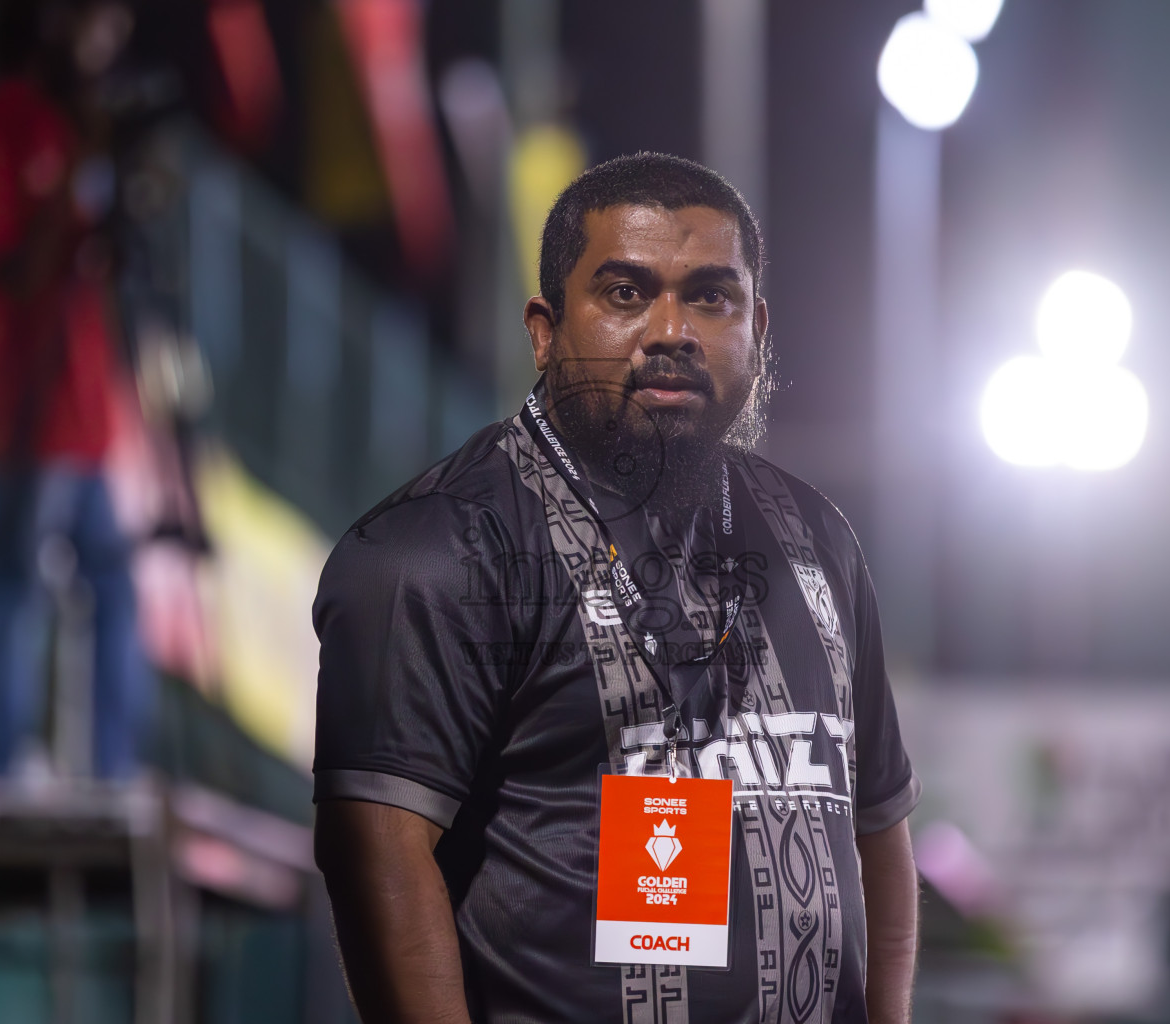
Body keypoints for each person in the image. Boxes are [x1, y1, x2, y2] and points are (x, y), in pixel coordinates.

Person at [313, 153, 920, 1023]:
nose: (672, 329)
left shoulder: (817, 541)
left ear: (758, 329)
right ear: (545, 330)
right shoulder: (436, 549)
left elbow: (879, 830)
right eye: (627, 293)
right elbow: (378, 855)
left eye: (712, 297)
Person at [0, 0, 150, 782]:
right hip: (28, 402)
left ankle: (113, 771)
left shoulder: (62, 128)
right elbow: (16, 271)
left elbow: (89, 265)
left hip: (82, 407)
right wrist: (72, 182)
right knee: (17, 575)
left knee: (111, 583)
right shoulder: (0, 128)